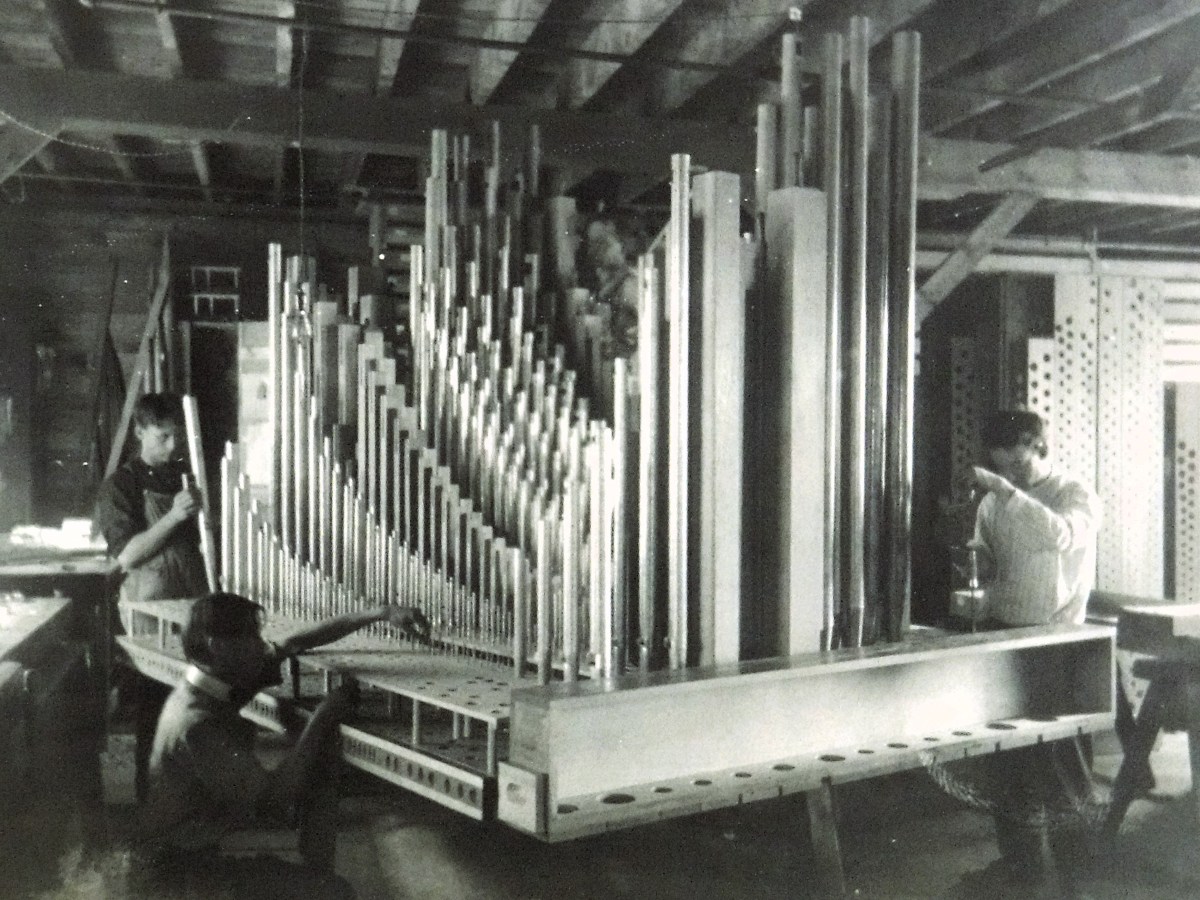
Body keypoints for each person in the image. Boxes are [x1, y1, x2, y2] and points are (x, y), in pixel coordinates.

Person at [132, 591, 430, 900]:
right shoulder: (196, 724)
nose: (261, 646)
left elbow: (292, 643)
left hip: (193, 856)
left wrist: (381, 613)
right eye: (251, 636)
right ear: (218, 646)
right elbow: (276, 798)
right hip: (178, 877)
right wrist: (323, 717)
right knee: (332, 893)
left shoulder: (211, 680)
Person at [963, 409, 1103, 896]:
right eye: (1002, 469)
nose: (1010, 477)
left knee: (1064, 769)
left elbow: (1063, 535)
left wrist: (1007, 493)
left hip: (1057, 641)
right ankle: (1023, 872)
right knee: (1008, 770)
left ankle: (1084, 878)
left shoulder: (1074, 493)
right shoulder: (993, 502)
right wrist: (973, 556)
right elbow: (984, 555)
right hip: (1004, 635)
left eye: (1018, 466)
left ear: (1041, 449)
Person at [94, 392, 208, 801]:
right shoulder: (120, 486)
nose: (173, 447)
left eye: (177, 436)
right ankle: (150, 806)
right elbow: (127, 555)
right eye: (163, 437)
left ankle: (189, 808)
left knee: (193, 713)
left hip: (192, 607)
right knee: (154, 711)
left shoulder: (184, 477)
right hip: (149, 616)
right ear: (140, 432)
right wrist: (175, 516)